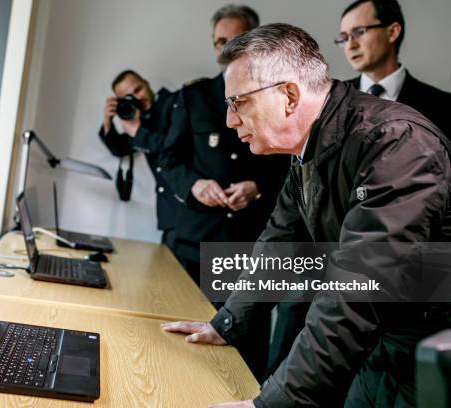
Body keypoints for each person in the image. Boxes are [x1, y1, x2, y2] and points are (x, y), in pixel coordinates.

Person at [163, 23, 451, 407]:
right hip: (378, 346)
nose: (231, 121)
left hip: (428, 357)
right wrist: (227, 324)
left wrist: (272, 402)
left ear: (289, 95)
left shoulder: (397, 141)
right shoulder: (310, 150)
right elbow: (279, 244)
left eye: (238, 103)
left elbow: (357, 285)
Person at [158, 4, 290, 382]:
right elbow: (169, 160)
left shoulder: (279, 98)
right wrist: (195, 185)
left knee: (240, 354)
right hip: (192, 242)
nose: (226, 47)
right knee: (178, 348)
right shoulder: (195, 96)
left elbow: (289, 162)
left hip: (247, 247)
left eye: (236, 39)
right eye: (220, 41)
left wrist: (259, 187)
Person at [338, 0, 451, 137]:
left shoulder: (443, 106)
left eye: (359, 32)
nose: (350, 46)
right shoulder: (332, 101)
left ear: (392, 32)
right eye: (344, 38)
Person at [99, 70, 179, 252]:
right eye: (129, 97)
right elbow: (119, 149)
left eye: (138, 89)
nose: (137, 97)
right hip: (168, 216)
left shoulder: (176, 103)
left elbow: (171, 148)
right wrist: (108, 122)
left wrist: (136, 130)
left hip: (190, 212)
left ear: (146, 82)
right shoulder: (140, 119)